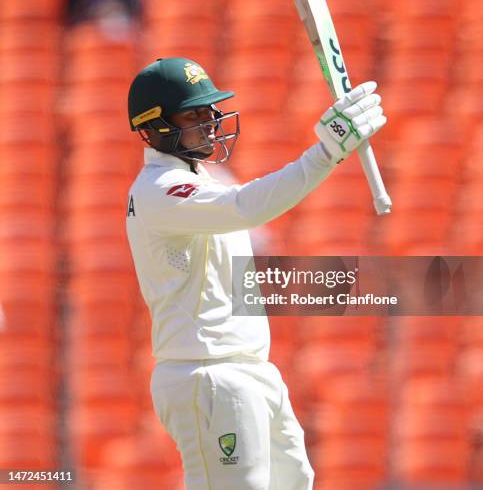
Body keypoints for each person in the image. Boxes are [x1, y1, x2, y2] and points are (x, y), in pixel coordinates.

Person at [125, 57, 386, 489]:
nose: (210, 123)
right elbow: (248, 206)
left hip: (247, 368)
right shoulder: (159, 189)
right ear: (153, 128)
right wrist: (326, 152)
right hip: (208, 373)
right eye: (194, 114)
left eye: (211, 111)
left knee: (294, 480)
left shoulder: (198, 179)